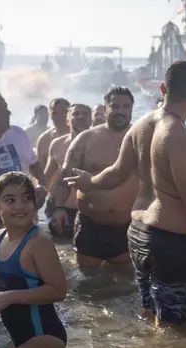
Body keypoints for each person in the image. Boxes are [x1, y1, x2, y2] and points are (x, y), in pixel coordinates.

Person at [65, 61, 186, 326]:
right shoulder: (180, 136)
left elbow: (116, 173)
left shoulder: (140, 126)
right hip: (171, 244)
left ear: (163, 88)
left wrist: (89, 181)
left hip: (138, 234)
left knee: (150, 316)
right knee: (174, 330)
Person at [0, 172, 66, 348]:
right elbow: (5, 278)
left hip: (44, 337)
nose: (20, 205)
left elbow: (58, 290)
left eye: (26, 198)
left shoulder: (39, 242)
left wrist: (8, 297)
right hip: (19, 339)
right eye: (10, 200)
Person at [49, 87, 136, 271]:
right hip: (90, 225)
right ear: (105, 109)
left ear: (131, 110)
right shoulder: (86, 139)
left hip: (126, 226)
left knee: (125, 285)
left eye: (126, 106)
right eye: (115, 106)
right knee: (87, 282)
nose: (121, 110)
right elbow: (64, 176)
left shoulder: (140, 139)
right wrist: (58, 207)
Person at [0, 92, 47, 266]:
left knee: (31, 277)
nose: (9, 113)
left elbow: (35, 166)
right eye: (2, 109)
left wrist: (42, 186)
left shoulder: (18, 134)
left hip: (26, 227)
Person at [43, 104, 91, 239]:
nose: (81, 117)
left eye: (85, 114)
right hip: (61, 207)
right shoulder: (57, 144)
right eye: (76, 114)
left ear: (91, 119)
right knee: (61, 251)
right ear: (67, 120)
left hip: (89, 209)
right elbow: (47, 176)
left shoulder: (100, 143)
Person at [35, 98, 70, 167]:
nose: (59, 117)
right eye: (55, 113)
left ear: (69, 114)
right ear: (50, 115)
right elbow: (40, 170)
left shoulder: (80, 135)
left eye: (63, 112)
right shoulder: (44, 139)